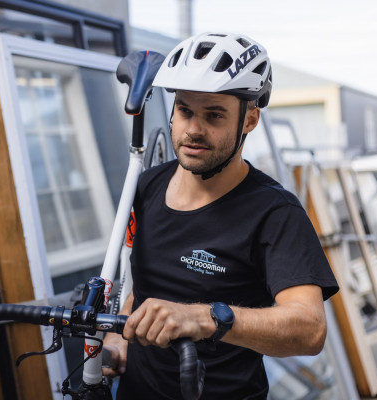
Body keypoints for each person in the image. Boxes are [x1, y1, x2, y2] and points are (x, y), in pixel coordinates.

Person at [102, 32, 339, 399]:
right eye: (185, 111)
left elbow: (309, 330)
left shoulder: (275, 213)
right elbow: (143, 287)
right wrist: (120, 336)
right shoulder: (147, 186)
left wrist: (205, 318)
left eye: (214, 115)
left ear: (249, 120)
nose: (193, 129)